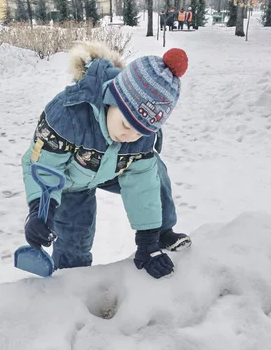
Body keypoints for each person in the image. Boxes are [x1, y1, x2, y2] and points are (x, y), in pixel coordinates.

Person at [21, 42, 191, 280]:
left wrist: (147, 241)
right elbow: (44, 164)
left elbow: (143, 186)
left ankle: (161, 233)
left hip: (114, 169)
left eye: (140, 131)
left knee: (154, 171)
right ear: (114, 98)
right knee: (74, 237)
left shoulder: (141, 136)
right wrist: (41, 209)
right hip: (71, 180)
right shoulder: (69, 113)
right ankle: (71, 279)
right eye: (125, 125)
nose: (130, 135)